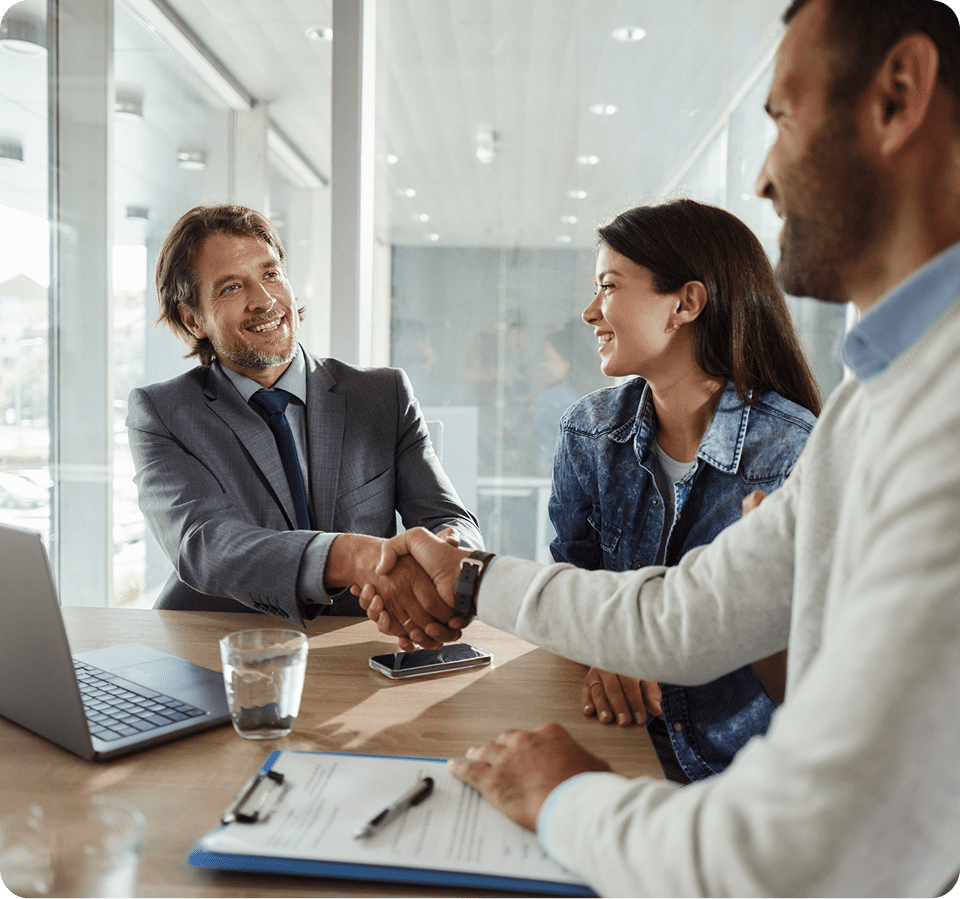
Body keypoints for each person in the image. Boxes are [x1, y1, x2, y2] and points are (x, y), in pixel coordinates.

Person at [359, 0, 960, 895]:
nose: (762, 178)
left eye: (784, 119)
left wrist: (567, 800)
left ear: (898, 94)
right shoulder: (874, 402)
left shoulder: (928, 413)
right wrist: (470, 574)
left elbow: (798, 852)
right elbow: (681, 614)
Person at [551, 199, 820, 783]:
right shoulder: (588, 431)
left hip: (743, 779)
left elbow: (817, 663)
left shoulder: (796, 453)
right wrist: (606, 648)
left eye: (609, 286)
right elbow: (573, 583)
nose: (589, 311)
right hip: (613, 746)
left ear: (686, 303)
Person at [126, 204, 482, 639]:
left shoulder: (383, 394)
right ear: (193, 319)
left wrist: (441, 567)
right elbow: (204, 544)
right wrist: (354, 555)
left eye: (271, 274)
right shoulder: (162, 412)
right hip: (220, 646)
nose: (264, 300)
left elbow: (449, 518)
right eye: (232, 287)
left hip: (363, 638)